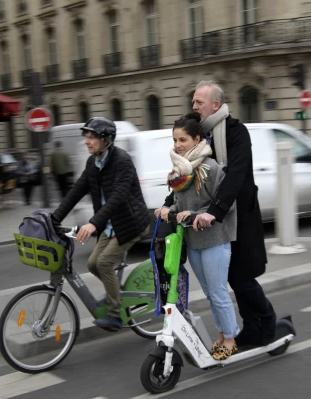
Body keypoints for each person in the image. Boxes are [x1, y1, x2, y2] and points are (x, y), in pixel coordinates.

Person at [157, 80, 277, 347]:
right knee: (228, 281)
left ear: (216, 105)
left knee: (241, 278)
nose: (194, 105)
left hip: (238, 215)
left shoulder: (235, 132)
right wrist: (168, 204)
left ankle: (267, 320)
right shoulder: (198, 135)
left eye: (199, 102)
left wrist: (215, 211)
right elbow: (184, 179)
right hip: (211, 218)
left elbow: (235, 175)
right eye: (194, 102)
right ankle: (248, 328)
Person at [51, 117, 150, 332]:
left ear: (106, 140)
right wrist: (54, 218)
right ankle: (116, 294)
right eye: (86, 136)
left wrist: (93, 224)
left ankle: (115, 316)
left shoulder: (121, 161)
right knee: (92, 264)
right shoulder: (92, 163)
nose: (87, 141)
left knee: (104, 263)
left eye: (92, 137)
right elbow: (77, 190)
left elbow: (119, 196)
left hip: (130, 223)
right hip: (110, 224)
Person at [160, 112, 239, 360]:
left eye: (183, 140)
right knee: (208, 292)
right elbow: (179, 202)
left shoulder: (210, 168)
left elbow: (225, 205)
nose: (177, 145)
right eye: (175, 140)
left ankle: (230, 337)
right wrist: (167, 210)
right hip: (193, 241)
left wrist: (195, 213)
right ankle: (222, 332)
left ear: (197, 139)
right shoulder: (178, 171)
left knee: (217, 291)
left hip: (215, 239)